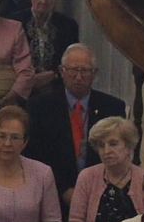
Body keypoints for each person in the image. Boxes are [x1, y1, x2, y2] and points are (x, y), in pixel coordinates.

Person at [26, 43, 127, 200]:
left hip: (101, 195)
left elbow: (122, 156)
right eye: (73, 70)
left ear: (94, 73)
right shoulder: (39, 107)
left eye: (85, 71)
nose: (79, 77)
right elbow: (36, 156)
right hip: (52, 195)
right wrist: (64, 190)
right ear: (61, 71)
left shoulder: (112, 108)